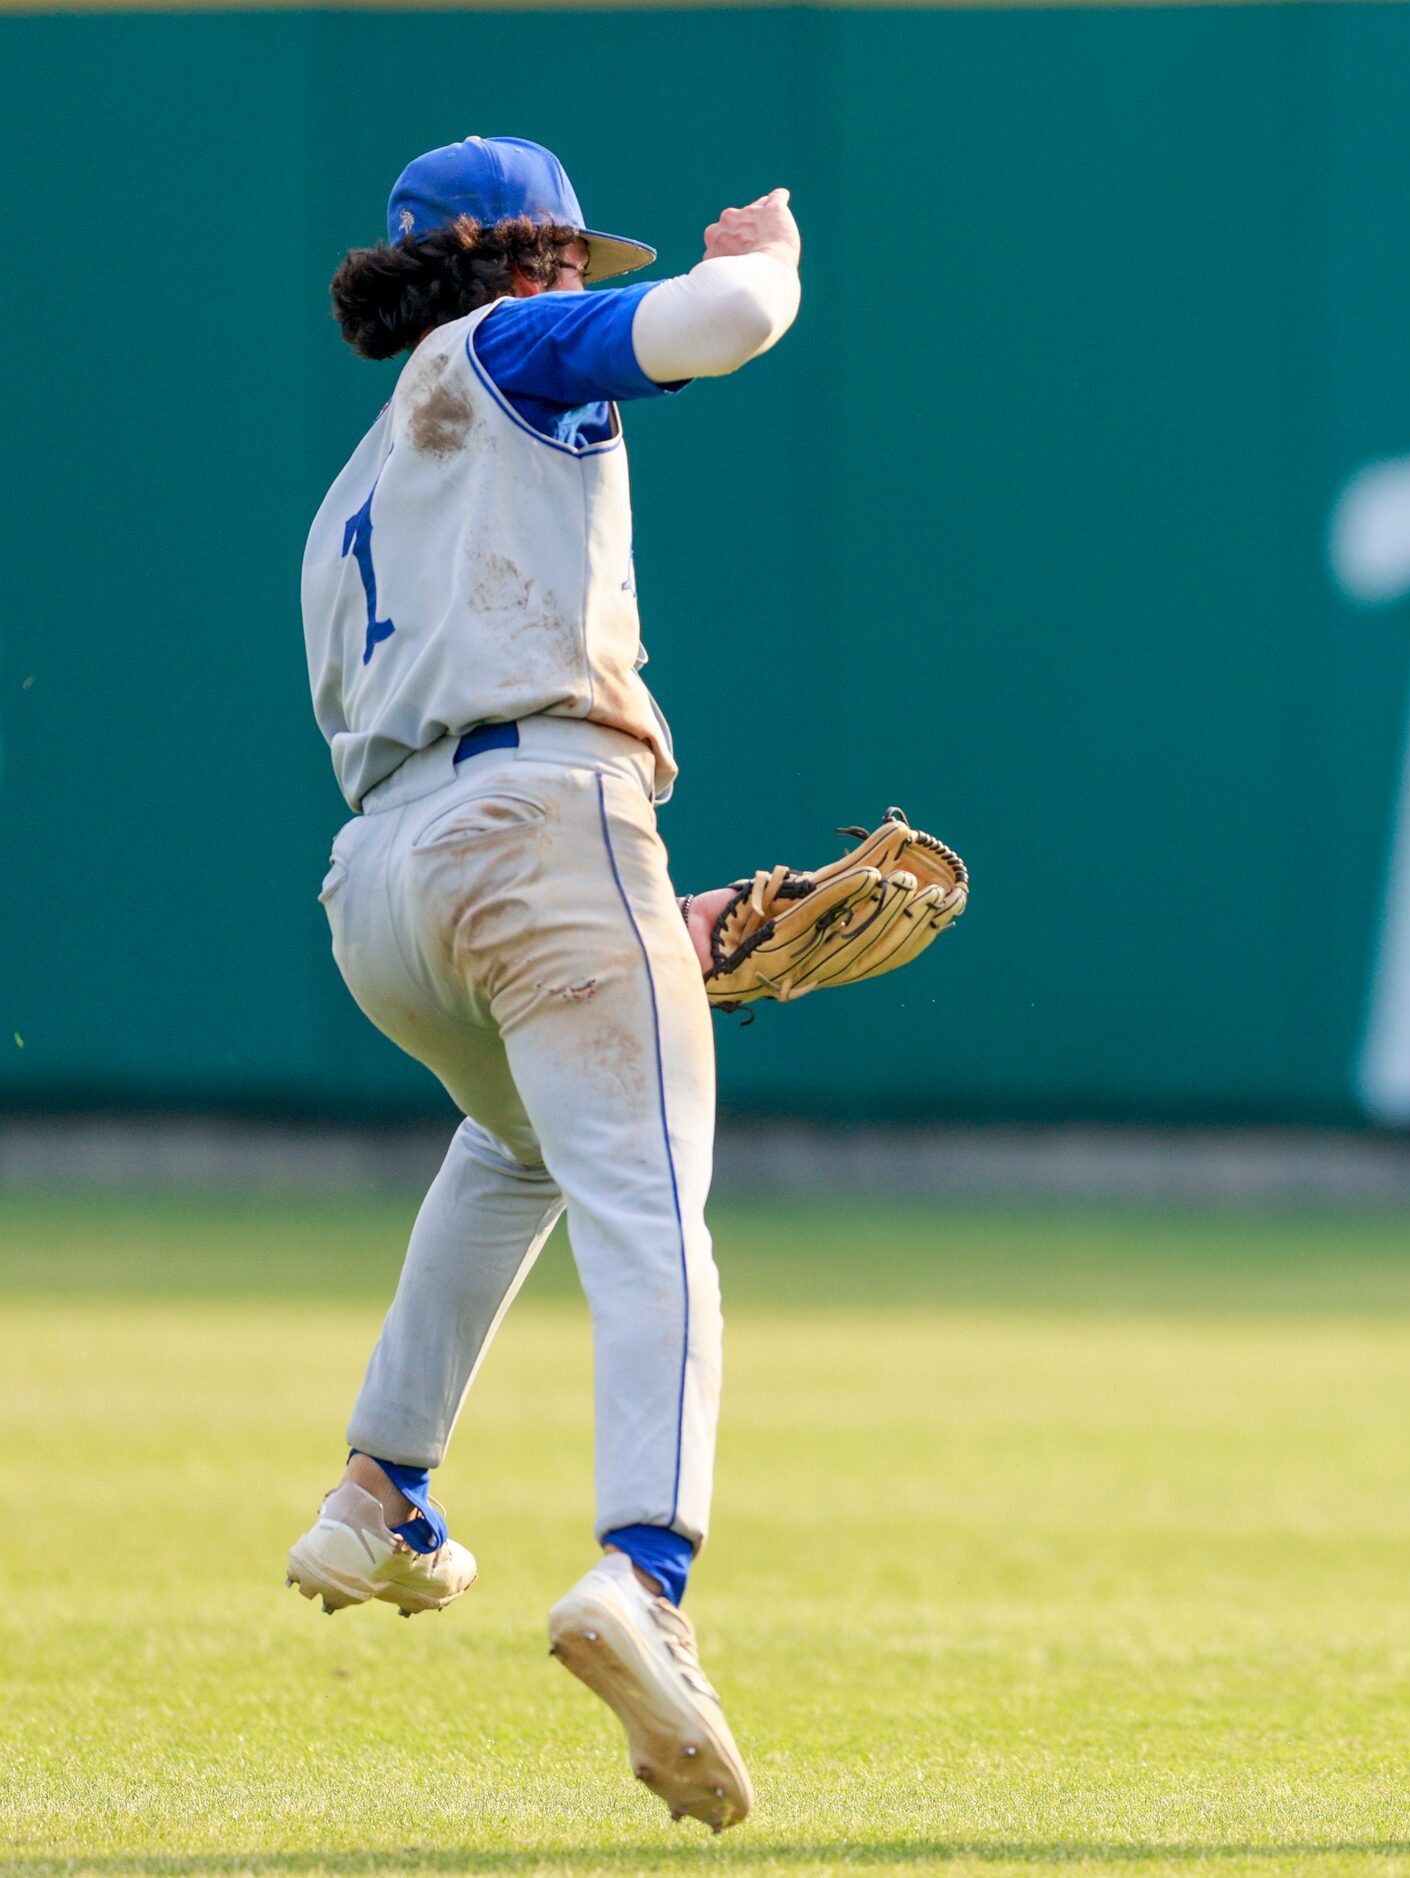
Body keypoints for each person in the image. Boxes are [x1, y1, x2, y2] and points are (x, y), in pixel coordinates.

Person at [288, 134, 799, 1833]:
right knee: (654, 1208)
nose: (582, 278)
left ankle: (383, 1488)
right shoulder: (512, 350)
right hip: (539, 830)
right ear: (525, 261)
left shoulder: (348, 495)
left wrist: (633, 901)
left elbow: (448, 743)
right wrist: (770, 257)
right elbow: (722, 324)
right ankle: (645, 1575)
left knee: (518, 1148)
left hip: (384, 888)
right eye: (568, 253)